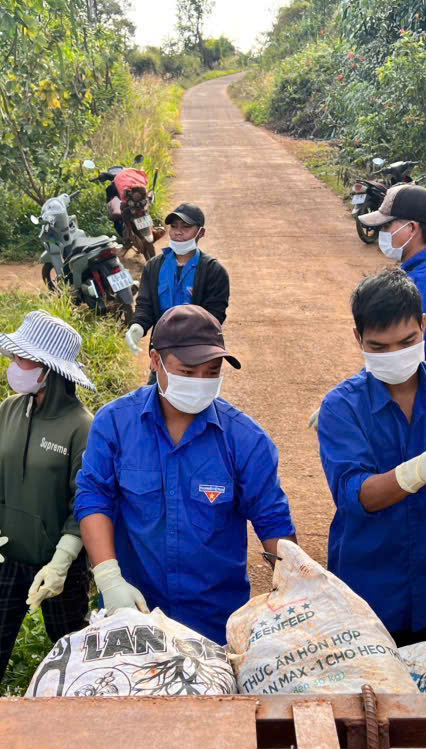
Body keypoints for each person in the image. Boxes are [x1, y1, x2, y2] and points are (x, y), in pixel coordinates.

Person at [74, 305, 296, 644]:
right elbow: (94, 499)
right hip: (133, 612)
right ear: (154, 361)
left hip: (215, 623)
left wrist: (296, 592)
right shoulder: (115, 425)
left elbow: (274, 523)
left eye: (212, 372)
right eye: (188, 372)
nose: (201, 383)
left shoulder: (245, 440)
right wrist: (109, 579)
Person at [316, 269, 426, 646]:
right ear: (358, 339)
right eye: (379, 347)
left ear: (424, 326)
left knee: (414, 679)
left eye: (407, 341)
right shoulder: (342, 407)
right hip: (366, 585)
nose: (395, 356)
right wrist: (416, 472)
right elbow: (354, 494)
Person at [0, 311, 96, 695]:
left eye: (22, 359)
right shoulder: (7, 411)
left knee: (73, 654)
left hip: (59, 565)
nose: (13, 366)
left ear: (48, 370)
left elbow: (84, 504)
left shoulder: (80, 426)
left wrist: (60, 563)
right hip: (4, 557)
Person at [359, 184, 426, 366]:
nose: (382, 233)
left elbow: (415, 356)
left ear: (411, 228)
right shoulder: (421, 269)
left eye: (387, 226)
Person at [124, 203, 230, 353]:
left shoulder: (213, 271)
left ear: (201, 232)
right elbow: (145, 305)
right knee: (157, 378)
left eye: (186, 227)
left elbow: (215, 314)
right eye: (174, 226)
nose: (178, 232)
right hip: (161, 351)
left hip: (199, 353)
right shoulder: (154, 267)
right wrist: (138, 325)